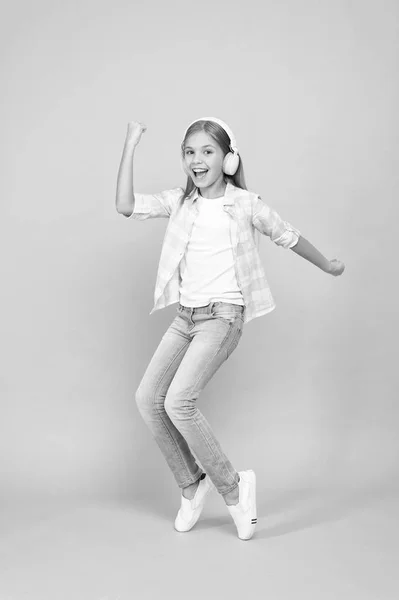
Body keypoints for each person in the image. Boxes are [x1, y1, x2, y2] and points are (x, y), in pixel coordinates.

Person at [115, 117, 345, 541]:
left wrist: (328, 265)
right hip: (185, 317)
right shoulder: (181, 204)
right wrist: (131, 143)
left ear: (229, 157)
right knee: (148, 399)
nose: (197, 160)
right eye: (189, 152)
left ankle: (235, 490)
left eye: (207, 151)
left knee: (179, 402)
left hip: (224, 318)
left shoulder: (246, 204)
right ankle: (192, 484)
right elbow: (126, 205)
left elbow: (287, 236)